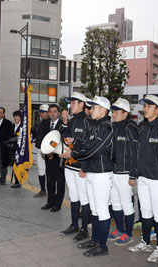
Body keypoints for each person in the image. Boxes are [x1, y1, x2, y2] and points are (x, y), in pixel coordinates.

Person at [60, 96, 114, 257]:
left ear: (103, 110)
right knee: (95, 210)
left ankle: (102, 246)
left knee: (102, 210)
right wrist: (73, 146)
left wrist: (73, 153)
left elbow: (93, 150)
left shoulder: (106, 127)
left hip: (102, 173)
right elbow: (85, 145)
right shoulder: (94, 125)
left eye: (95, 108)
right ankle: (95, 240)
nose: (91, 110)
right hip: (92, 171)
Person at [128, 95, 158, 263]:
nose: (145, 108)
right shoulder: (141, 128)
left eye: (149, 106)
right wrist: (134, 173)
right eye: (145, 105)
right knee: (145, 213)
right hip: (143, 177)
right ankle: (146, 242)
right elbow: (136, 153)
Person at [59, 92, 92, 242]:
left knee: (84, 198)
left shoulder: (87, 121)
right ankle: (74, 225)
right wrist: (65, 122)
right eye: (70, 103)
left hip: (80, 167)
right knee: (73, 196)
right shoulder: (72, 121)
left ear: (82, 104)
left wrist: (84, 168)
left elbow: (88, 145)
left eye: (74, 103)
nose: (71, 105)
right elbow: (62, 137)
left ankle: (85, 229)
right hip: (69, 165)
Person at [107, 98, 138, 246]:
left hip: (125, 173)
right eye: (113, 111)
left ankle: (129, 234)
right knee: (115, 202)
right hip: (113, 171)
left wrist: (133, 174)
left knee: (126, 203)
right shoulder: (113, 127)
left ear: (125, 113)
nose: (114, 114)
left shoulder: (131, 128)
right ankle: (119, 230)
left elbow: (135, 152)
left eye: (117, 111)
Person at [41, 104, 66, 212]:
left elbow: (64, 140)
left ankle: (57, 204)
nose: (52, 113)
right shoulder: (45, 125)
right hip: (49, 158)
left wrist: (53, 152)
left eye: (55, 111)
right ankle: (50, 202)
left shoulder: (63, 125)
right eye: (50, 111)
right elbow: (41, 141)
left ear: (58, 113)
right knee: (50, 181)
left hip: (59, 159)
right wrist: (46, 153)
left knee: (60, 183)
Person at [33, 104, 50, 197]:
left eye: (43, 112)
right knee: (41, 170)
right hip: (39, 149)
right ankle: (43, 190)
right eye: (41, 112)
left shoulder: (50, 123)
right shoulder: (41, 122)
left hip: (47, 151)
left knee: (49, 172)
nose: (41, 114)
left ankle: (50, 191)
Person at [9, 110, 23, 188]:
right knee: (14, 165)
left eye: (17, 116)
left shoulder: (23, 127)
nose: (16, 118)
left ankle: (19, 181)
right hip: (12, 149)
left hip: (20, 150)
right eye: (15, 116)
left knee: (19, 165)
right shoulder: (12, 125)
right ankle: (16, 181)